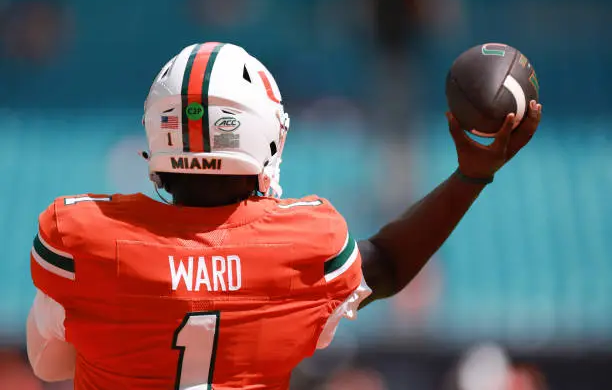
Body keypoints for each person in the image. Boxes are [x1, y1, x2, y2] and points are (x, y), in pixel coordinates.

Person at [26, 42, 542, 389]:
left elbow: (47, 363)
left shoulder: (83, 238)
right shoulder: (302, 246)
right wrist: (471, 176)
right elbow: (384, 263)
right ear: (263, 136)